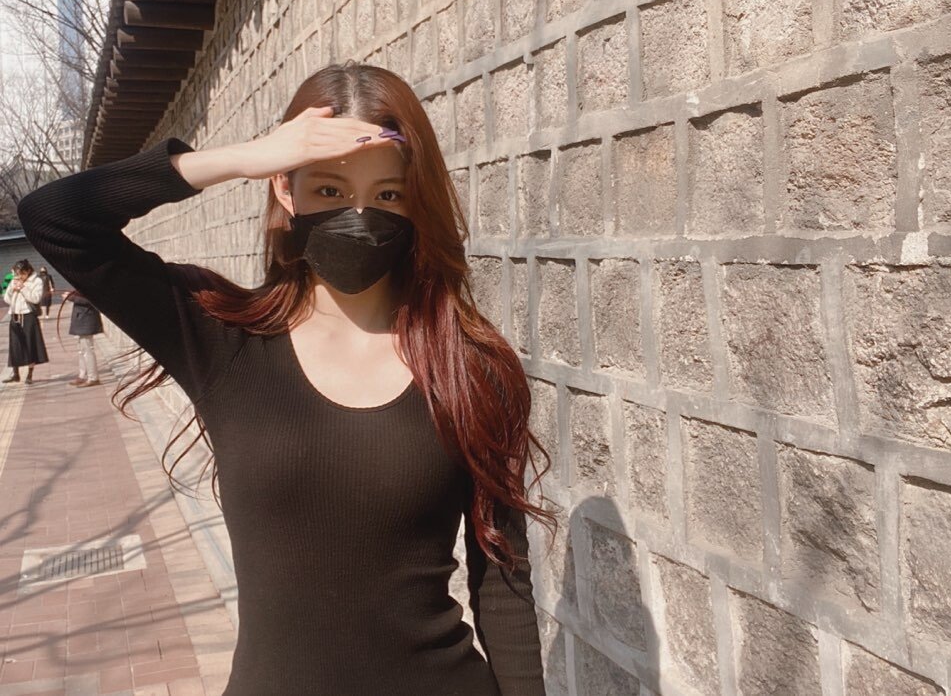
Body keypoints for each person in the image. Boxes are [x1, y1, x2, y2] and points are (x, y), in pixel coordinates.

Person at [17, 62, 554, 696]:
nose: (360, 215)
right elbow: (56, 218)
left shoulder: (471, 366)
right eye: (329, 189)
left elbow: (504, 578)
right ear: (285, 188)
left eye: (388, 195)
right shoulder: (222, 338)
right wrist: (241, 158)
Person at [2, 259, 49, 384]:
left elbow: (35, 298)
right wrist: (12, 289)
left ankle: (29, 374)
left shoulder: (37, 281)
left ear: (28, 271)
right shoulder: (15, 280)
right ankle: (15, 374)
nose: (20, 276)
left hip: (28, 316)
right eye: (18, 273)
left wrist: (23, 288)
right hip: (15, 315)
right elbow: (7, 299)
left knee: (30, 344)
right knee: (15, 345)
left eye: (22, 273)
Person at [63, 289, 103, 386]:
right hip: (82, 318)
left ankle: (93, 377)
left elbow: (89, 300)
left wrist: (72, 298)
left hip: (87, 319)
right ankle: (82, 375)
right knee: (81, 350)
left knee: (88, 350)